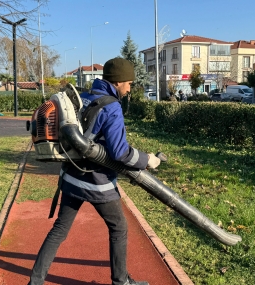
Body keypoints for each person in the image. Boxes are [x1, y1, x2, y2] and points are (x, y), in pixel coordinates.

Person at [28, 58, 161, 285]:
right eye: (128, 83)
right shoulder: (112, 106)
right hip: (96, 182)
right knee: (119, 227)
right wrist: (148, 160)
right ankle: (121, 282)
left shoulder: (85, 97)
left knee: (59, 229)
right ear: (118, 82)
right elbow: (120, 153)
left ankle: (35, 282)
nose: (129, 88)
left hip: (71, 175)